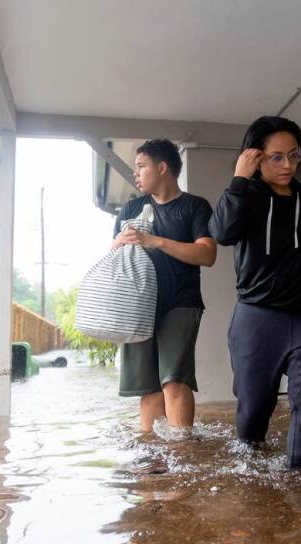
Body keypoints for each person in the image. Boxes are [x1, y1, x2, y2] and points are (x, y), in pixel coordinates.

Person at [209, 116, 301, 468]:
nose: (287, 165)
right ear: (255, 156)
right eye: (276, 157)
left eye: (293, 156)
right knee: (253, 408)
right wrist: (238, 179)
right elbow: (222, 233)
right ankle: (253, 479)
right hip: (257, 318)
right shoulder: (243, 194)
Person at [112, 139, 216, 433]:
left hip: (181, 302)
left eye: (141, 166)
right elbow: (113, 255)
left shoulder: (195, 207)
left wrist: (154, 240)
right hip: (140, 307)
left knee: (174, 380)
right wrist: (119, 243)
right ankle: (153, 466)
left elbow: (207, 254)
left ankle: (182, 454)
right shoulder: (130, 208)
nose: (136, 173)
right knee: (148, 387)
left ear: (162, 167)